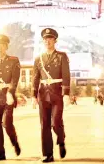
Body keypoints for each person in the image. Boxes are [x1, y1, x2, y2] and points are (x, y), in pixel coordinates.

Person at [32, 28, 71, 163]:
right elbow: (35, 78)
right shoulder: (38, 59)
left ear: (55, 40)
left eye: (50, 39)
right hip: (43, 94)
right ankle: (47, 154)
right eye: (45, 39)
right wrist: (33, 95)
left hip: (57, 93)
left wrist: (66, 93)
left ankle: (61, 140)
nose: (47, 41)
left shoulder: (61, 56)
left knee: (55, 123)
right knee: (44, 125)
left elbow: (66, 75)